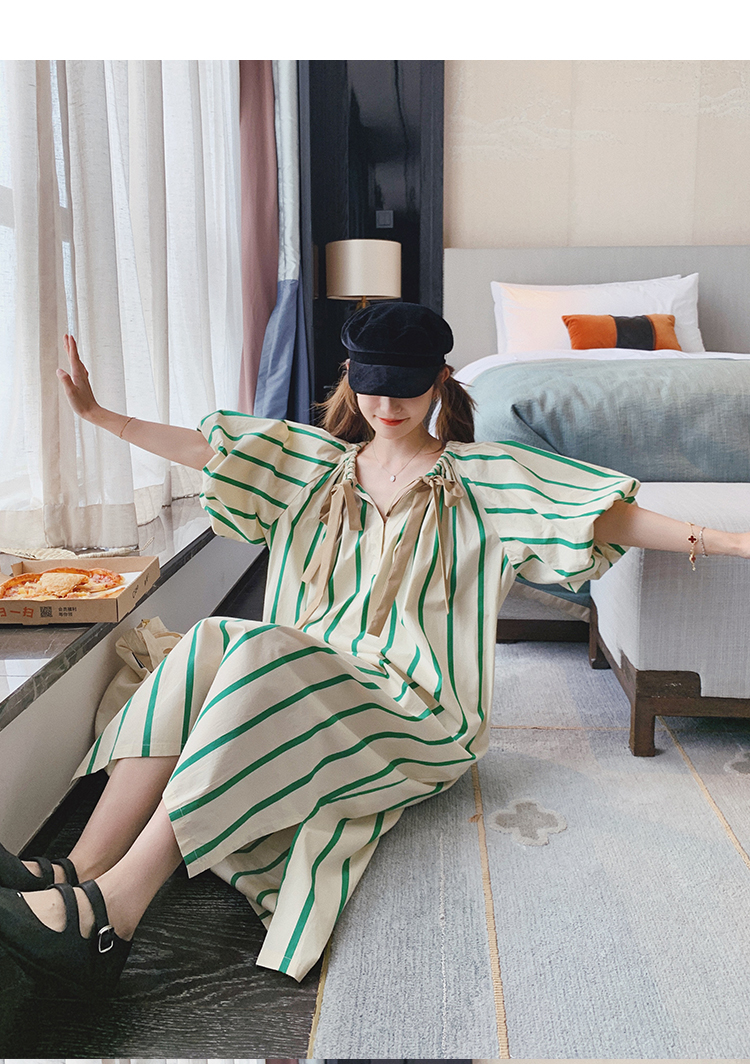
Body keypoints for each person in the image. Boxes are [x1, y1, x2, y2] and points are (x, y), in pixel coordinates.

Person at [0, 302, 748, 998]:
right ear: (350, 378)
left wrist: (723, 540)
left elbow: (604, 516)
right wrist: (98, 416)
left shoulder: (484, 479)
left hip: (418, 711)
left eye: (407, 387)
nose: (388, 404)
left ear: (441, 381)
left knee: (258, 651)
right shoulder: (312, 466)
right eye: (373, 385)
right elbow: (207, 450)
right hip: (312, 678)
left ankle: (113, 911)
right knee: (209, 639)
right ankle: (79, 867)